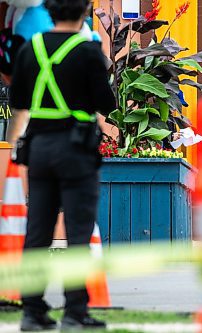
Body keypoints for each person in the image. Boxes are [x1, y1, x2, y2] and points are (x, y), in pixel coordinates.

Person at [7, 0, 115, 330]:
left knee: (37, 230)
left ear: (49, 11)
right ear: (84, 12)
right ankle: (74, 311)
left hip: (38, 147)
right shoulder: (87, 51)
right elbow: (106, 102)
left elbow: (18, 102)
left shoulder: (31, 48)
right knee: (78, 231)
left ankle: (32, 311)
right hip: (76, 149)